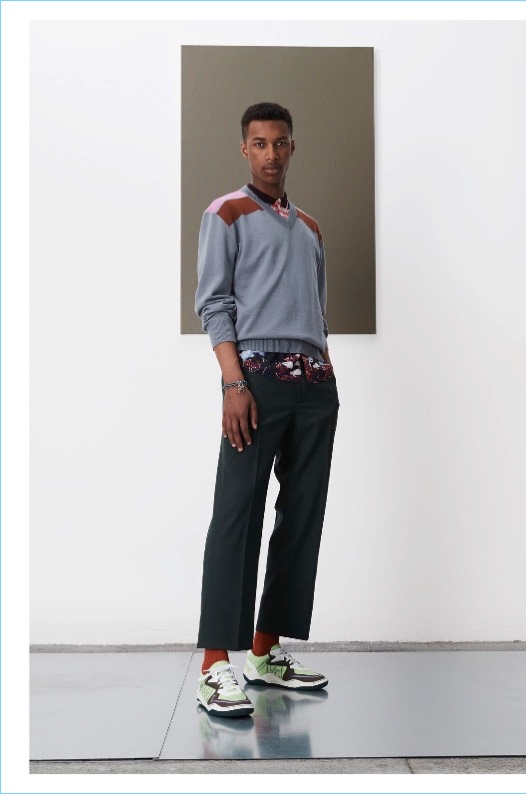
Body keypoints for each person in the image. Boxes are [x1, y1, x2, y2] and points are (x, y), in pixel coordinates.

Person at [194, 102, 340, 717]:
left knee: (301, 517)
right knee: (238, 512)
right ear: (245, 149)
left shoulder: (309, 227)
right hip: (256, 382)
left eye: (280, 143)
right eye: (259, 143)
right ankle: (214, 665)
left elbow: (318, 313)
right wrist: (234, 383)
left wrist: (324, 373)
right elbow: (214, 302)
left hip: (315, 384)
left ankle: (265, 650)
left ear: (292, 147)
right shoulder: (225, 213)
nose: (271, 154)